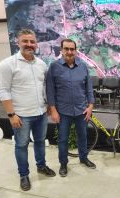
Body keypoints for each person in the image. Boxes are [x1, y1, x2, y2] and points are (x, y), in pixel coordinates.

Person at [0, 29, 56, 191]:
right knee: (21, 145)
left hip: (41, 113)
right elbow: (3, 91)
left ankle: (41, 166)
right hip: (21, 115)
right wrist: (11, 114)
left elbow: (44, 87)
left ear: (36, 44)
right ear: (18, 43)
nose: (29, 45)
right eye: (25, 41)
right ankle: (24, 175)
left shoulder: (41, 64)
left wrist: (48, 106)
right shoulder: (7, 64)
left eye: (32, 42)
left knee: (40, 142)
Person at [46, 39, 96, 177]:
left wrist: (90, 106)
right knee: (62, 139)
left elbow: (89, 88)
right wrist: (53, 110)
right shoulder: (54, 67)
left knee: (83, 136)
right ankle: (63, 163)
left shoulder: (83, 66)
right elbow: (50, 90)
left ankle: (83, 158)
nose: (69, 52)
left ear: (75, 50)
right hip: (63, 112)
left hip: (81, 110)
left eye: (72, 49)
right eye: (66, 49)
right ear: (61, 50)